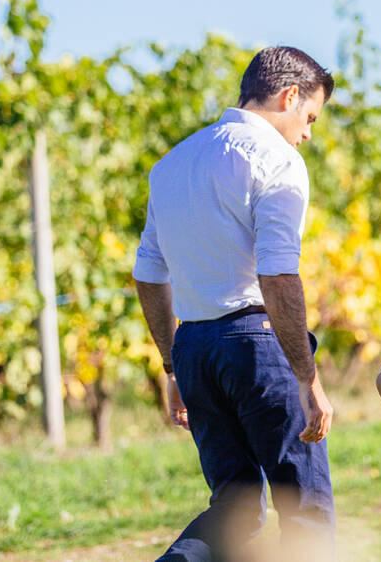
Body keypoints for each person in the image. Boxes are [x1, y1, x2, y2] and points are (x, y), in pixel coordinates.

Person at [133, 46, 336, 562]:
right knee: (304, 506)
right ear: (289, 95)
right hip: (256, 344)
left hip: (196, 348)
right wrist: (307, 377)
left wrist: (172, 364)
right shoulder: (276, 159)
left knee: (237, 506)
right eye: (309, 116)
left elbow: (149, 275)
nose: (308, 132)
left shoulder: (171, 164)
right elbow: (277, 273)